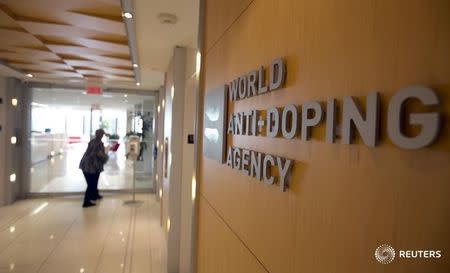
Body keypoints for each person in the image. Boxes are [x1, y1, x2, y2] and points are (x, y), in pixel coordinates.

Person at [79, 129, 109, 207]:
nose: (102, 136)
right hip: (92, 166)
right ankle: (86, 202)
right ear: (101, 135)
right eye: (102, 134)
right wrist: (106, 155)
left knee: (94, 181)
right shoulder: (99, 143)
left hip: (86, 165)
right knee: (91, 183)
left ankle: (95, 195)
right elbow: (99, 155)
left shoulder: (92, 141)